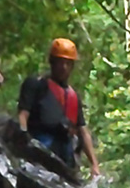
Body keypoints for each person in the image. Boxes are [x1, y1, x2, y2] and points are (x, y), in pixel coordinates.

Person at [17, 38, 100, 176]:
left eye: (68, 63)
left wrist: (94, 164)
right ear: (52, 62)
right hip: (41, 147)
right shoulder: (36, 85)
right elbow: (23, 114)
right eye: (60, 62)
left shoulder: (73, 96)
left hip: (65, 152)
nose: (64, 67)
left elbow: (83, 131)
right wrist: (23, 140)